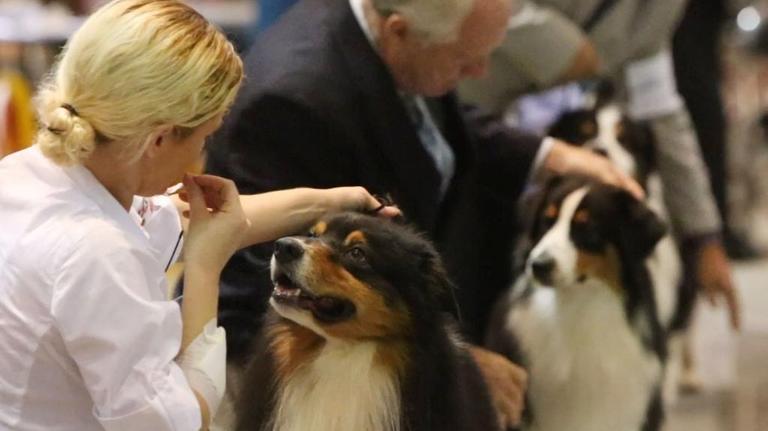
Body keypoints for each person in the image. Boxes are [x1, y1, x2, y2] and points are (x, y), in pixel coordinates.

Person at [205, 0, 642, 426]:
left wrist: (550, 156)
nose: (480, 71)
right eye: (465, 58)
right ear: (399, 32)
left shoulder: (400, 44)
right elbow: (262, 285)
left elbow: (432, 123)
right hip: (291, 385)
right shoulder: (290, 105)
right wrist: (453, 360)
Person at [0, 1, 394, 429]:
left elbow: (180, 222)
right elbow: (177, 422)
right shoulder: (100, 253)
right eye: (205, 137)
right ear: (159, 139)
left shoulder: (28, 176)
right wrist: (206, 268)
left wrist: (335, 202)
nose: (201, 156)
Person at [458, 0, 741, 331]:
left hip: (532, 176)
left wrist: (703, 237)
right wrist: (558, 47)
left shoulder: (665, 7)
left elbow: (658, 107)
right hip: (462, 121)